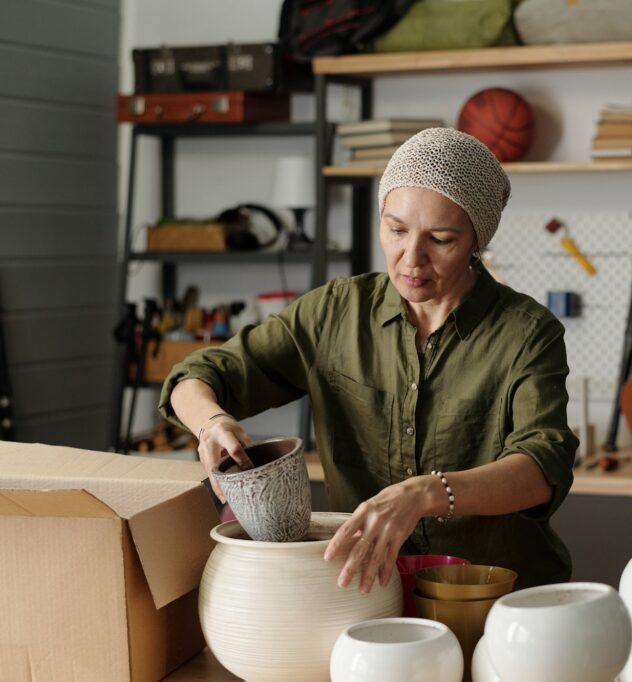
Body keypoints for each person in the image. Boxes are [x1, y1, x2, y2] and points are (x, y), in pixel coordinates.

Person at [160, 128, 578, 594]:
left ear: (476, 240)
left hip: (497, 596)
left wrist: (426, 493)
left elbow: (543, 466)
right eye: (396, 230)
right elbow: (196, 375)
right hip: (369, 594)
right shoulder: (333, 313)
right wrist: (211, 422)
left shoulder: (526, 332)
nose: (410, 258)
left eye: (440, 239)